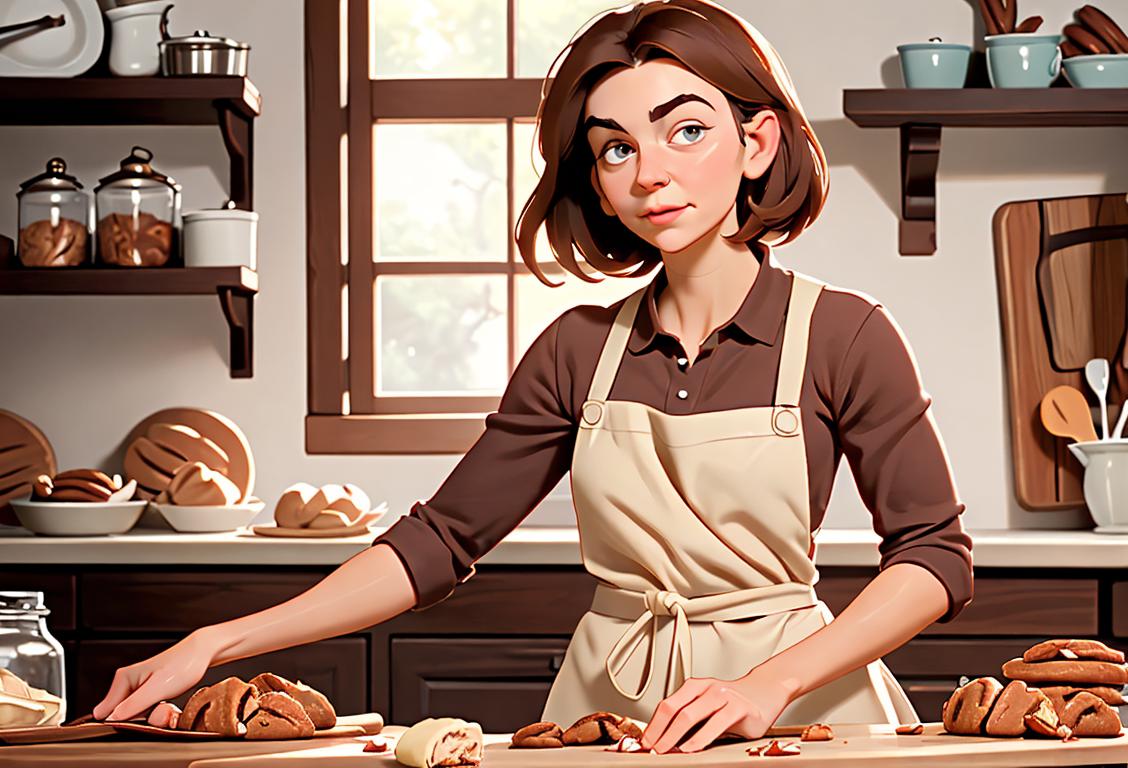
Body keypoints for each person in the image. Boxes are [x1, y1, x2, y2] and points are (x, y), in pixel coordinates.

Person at [94, 0, 973, 754]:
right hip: (612, 714)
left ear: (757, 143)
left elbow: (934, 558)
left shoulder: (846, 334)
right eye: (615, 148)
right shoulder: (575, 351)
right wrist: (218, 641)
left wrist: (768, 684)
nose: (650, 171)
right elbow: (439, 542)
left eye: (687, 129)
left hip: (798, 711)